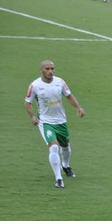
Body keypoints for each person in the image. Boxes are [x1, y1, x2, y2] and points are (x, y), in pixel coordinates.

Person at [24, 60, 85, 188]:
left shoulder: (60, 82)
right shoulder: (35, 85)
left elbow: (69, 96)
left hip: (61, 121)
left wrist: (78, 107)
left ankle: (66, 166)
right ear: (41, 70)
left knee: (66, 147)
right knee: (54, 147)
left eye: (52, 68)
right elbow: (27, 102)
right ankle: (58, 178)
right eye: (47, 69)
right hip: (46, 122)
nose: (50, 71)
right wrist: (33, 116)